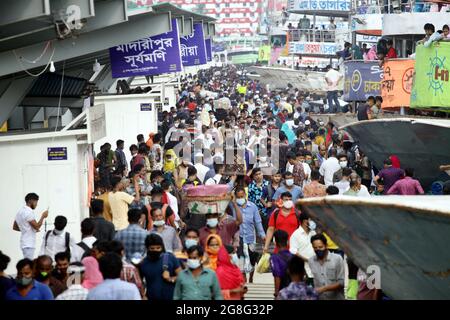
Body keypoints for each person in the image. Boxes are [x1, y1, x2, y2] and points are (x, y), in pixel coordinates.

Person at [231, 187, 265, 283]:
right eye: (238, 197)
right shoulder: (233, 207)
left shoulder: (253, 207)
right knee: (241, 258)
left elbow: (257, 222)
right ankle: (244, 277)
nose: (240, 198)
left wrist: (262, 234)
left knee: (252, 259)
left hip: (251, 238)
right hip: (239, 238)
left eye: (242, 196)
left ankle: (251, 277)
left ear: (245, 195)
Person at [140, 233, 182, 300]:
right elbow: (140, 282)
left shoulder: (170, 258)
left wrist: (170, 279)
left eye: (158, 248)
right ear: (147, 248)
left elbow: (182, 277)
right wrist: (143, 295)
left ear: (162, 247)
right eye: (152, 248)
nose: (155, 250)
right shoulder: (144, 263)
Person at [308, 234, 345, 300]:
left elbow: (342, 282)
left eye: (320, 247)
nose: (318, 249)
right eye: (315, 248)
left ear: (326, 245)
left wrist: (324, 288)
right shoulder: (311, 261)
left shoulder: (337, 259)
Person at [13, 193, 49, 260]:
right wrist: (43, 216)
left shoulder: (20, 211)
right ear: (31, 201)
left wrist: (27, 229)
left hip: (24, 242)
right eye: (36, 202)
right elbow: (37, 226)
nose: (36, 204)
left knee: (27, 262)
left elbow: (15, 227)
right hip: (29, 243)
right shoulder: (28, 212)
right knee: (29, 264)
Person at [289, 212, 316, 284]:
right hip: (303, 270)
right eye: (311, 220)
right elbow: (293, 251)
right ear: (305, 221)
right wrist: (306, 259)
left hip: (315, 270)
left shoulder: (313, 233)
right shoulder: (296, 235)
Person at [270, 230, 293, 297]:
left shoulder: (275, 258)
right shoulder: (293, 256)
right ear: (287, 242)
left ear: (275, 242)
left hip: (283, 291)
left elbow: (277, 276)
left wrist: (276, 293)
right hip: (294, 290)